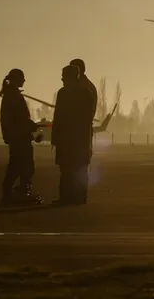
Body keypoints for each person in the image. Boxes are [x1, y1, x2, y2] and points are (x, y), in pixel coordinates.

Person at [51, 64, 94, 205]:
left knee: (68, 170)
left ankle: (67, 197)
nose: (62, 78)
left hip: (68, 139)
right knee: (78, 169)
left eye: (64, 76)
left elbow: (58, 117)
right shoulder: (87, 93)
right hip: (79, 139)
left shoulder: (63, 93)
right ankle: (79, 197)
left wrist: (55, 137)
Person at [0, 68, 43, 205]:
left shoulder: (10, 95)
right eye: (21, 78)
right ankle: (19, 193)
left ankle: (17, 192)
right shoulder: (13, 96)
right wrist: (33, 126)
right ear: (15, 79)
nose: (24, 81)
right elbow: (20, 118)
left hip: (17, 135)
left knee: (19, 165)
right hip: (19, 136)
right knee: (23, 166)